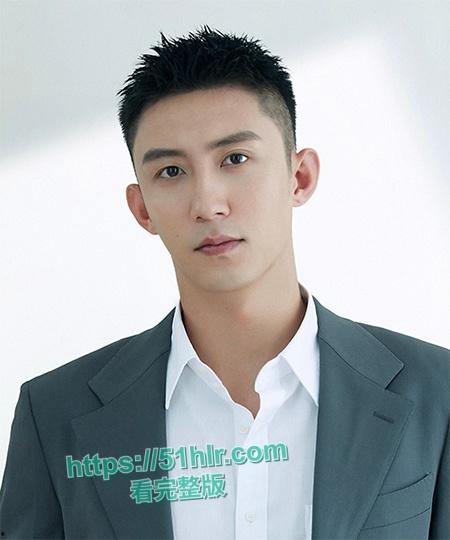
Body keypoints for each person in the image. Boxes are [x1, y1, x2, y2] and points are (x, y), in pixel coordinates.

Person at [0, 25, 448, 540]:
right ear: (142, 208)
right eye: (171, 171)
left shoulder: (436, 393)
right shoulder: (54, 414)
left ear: (299, 177)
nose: (207, 203)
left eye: (235, 159)